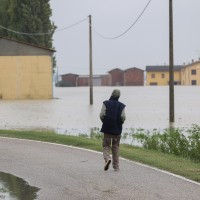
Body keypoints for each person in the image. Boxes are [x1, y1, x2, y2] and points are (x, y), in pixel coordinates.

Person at [99, 89, 126, 171]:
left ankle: (107, 159)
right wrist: (120, 123)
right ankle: (116, 167)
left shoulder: (106, 103)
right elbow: (123, 117)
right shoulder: (122, 105)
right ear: (119, 96)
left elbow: (101, 114)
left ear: (112, 94)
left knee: (106, 146)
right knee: (115, 147)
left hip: (107, 129)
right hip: (117, 130)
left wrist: (105, 121)